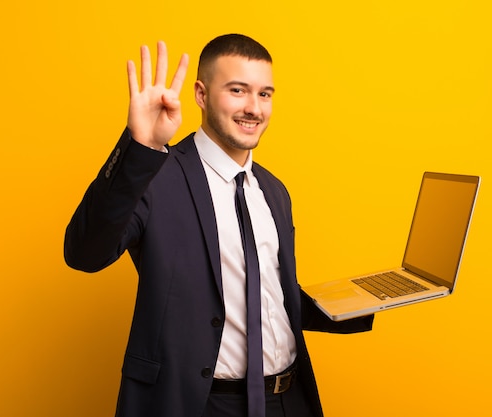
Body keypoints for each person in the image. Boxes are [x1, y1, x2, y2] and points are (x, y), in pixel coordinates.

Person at [64, 34, 373, 417]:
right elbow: (84, 253)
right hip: (200, 404)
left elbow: (270, 297)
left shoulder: (274, 191)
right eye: (238, 90)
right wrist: (139, 147)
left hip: (288, 400)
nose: (253, 108)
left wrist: (359, 301)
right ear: (201, 94)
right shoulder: (154, 176)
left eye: (265, 94)